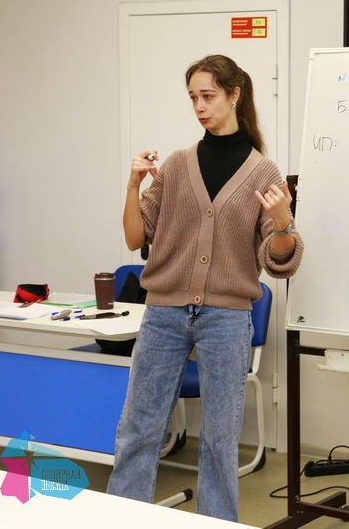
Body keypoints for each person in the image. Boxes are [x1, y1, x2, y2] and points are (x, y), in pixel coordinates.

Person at [107, 54, 303, 522]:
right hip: (164, 314)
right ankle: (121, 518)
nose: (199, 106)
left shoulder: (264, 173)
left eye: (208, 96)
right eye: (193, 97)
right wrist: (133, 185)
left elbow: (280, 261)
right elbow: (135, 237)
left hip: (227, 319)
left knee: (219, 439)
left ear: (234, 95)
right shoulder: (177, 165)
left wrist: (282, 224)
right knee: (138, 428)